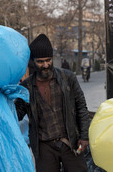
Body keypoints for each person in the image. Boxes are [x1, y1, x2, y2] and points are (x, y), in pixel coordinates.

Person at [15, 33, 90, 172]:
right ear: (33, 62)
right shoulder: (27, 87)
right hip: (44, 146)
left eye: (48, 60)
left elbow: (81, 107)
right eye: (40, 61)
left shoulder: (68, 78)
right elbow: (17, 115)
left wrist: (84, 136)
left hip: (70, 142)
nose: (45, 65)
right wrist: (4, 97)